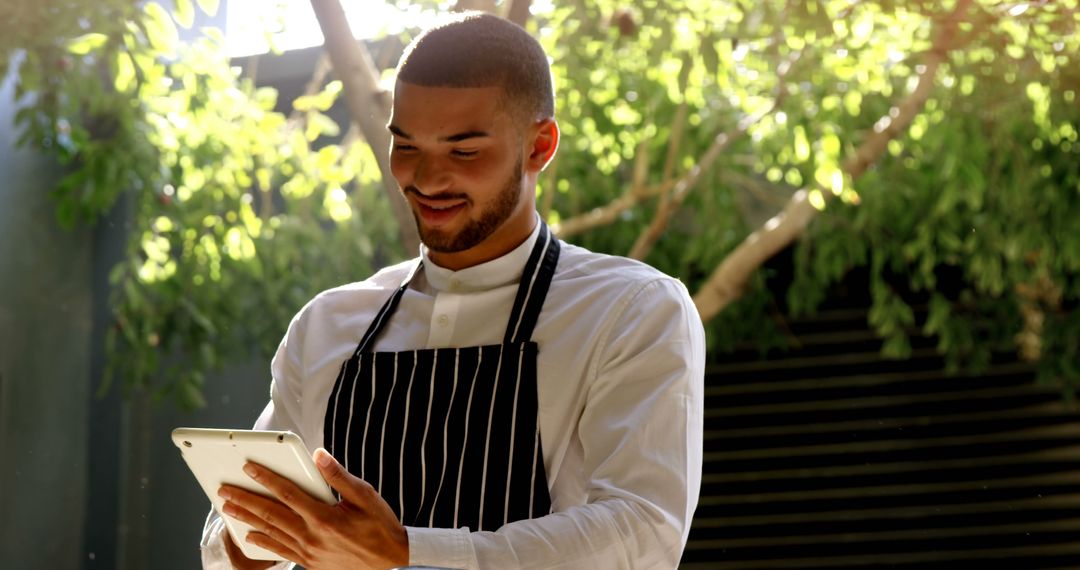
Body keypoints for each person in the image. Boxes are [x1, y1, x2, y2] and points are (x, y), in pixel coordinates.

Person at [200, 11, 704, 570]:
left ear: (540, 146)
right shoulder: (327, 325)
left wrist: (405, 553)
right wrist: (251, 548)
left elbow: (641, 531)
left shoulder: (631, 310)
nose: (427, 178)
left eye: (464, 151)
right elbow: (230, 538)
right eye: (406, 146)